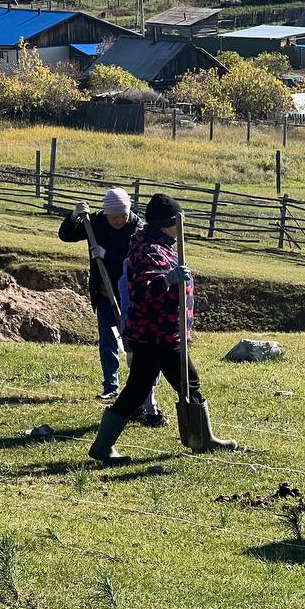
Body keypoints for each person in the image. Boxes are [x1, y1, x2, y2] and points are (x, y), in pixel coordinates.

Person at [89, 193, 236, 464]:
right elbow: (144, 289)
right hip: (156, 335)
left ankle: (104, 446)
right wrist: (167, 280)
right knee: (181, 384)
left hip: (163, 333)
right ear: (169, 223)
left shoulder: (162, 245)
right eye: (178, 223)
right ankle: (203, 440)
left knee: (144, 389)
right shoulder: (150, 249)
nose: (181, 228)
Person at [58, 188, 166, 427]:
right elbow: (66, 235)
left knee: (133, 346)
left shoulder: (137, 229)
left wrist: (108, 255)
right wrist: (74, 216)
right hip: (104, 292)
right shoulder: (95, 223)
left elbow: (137, 260)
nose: (119, 220)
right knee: (107, 340)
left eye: (122, 215)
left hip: (130, 295)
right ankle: (111, 386)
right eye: (114, 216)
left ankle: (138, 391)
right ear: (106, 214)